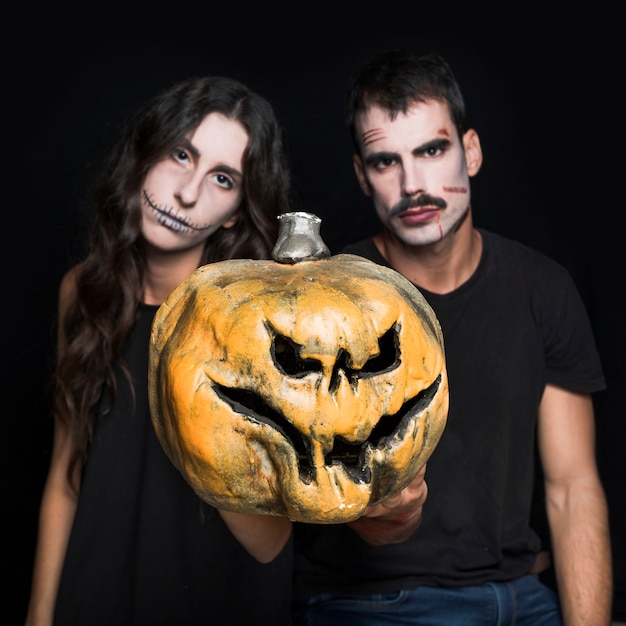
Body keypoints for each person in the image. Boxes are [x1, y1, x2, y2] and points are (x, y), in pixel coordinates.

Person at [291, 48, 612, 625]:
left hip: (523, 594)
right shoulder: (327, 299)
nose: (414, 184)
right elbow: (322, 489)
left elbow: (572, 486)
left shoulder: (542, 286)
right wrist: (382, 516)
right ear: (363, 178)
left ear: (470, 151)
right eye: (386, 162)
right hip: (375, 602)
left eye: (432, 151)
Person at [23, 75, 298, 626]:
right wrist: (40, 614)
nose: (187, 192)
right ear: (146, 152)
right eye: (180, 155)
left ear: (238, 212)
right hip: (91, 594)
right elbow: (65, 474)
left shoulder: (260, 320)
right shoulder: (83, 292)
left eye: (222, 179)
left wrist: (203, 385)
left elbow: (271, 543)